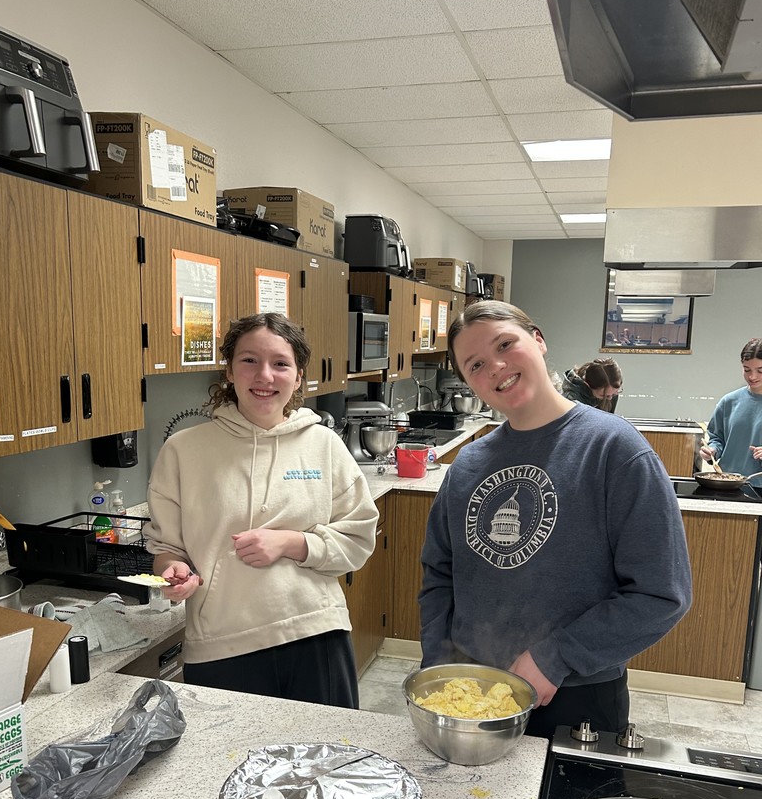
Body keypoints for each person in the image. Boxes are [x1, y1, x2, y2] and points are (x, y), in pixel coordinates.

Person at [419, 300, 692, 739]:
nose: (496, 366)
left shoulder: (614, 450)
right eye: (475, 364)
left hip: (575, 693)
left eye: (506, 344)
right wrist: (438, 665)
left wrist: (555, 657)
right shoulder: (468, 465)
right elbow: (439, 574)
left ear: (539, 340)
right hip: (471, 691)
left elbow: (662, 594)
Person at [144, 312, 379, 708]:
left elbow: (359, 539)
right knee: (224, 765)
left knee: (323, 763)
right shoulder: (183, 450)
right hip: (221, 644)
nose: (264, 376)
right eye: (249, 360)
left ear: (299, 376)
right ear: (230, 371)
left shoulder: (324, 445)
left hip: (315, 634)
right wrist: (172, 572)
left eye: (280, 364)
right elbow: (166, 549)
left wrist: (293, 543)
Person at [700, 338, 762, 475]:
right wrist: (712, 451)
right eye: (747, 370)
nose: (753, 376)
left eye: (760, 371)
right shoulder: (729, 401)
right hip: (728, 482)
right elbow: (716, 438)